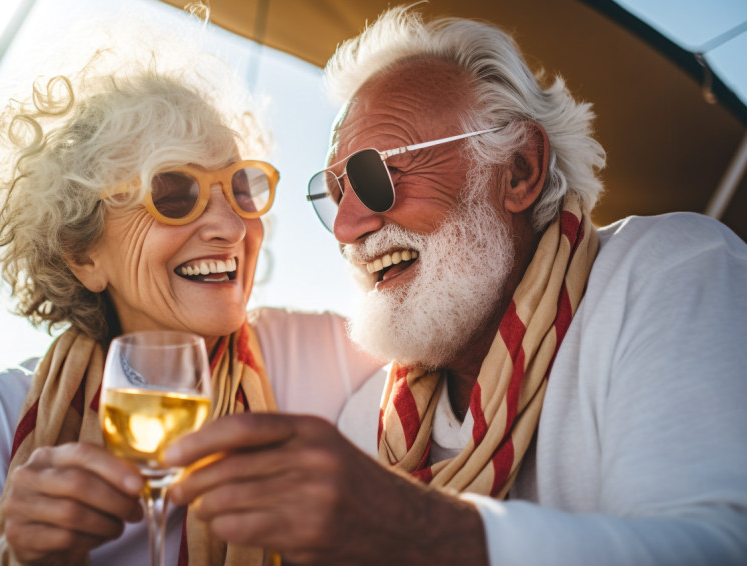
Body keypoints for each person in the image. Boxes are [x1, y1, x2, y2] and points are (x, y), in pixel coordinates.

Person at [164, 6, 747, 565]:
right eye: (337, 192)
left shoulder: (665, 274)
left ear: (518, 170)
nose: (347, 227)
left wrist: (417, 529)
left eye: (375, 174)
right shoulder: (370, 421)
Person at [0, 27, 382, 566]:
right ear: (84, 255)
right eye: (174, 193)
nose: (232, 226)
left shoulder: (334, 357)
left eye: (241, 188)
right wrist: (5, 556)